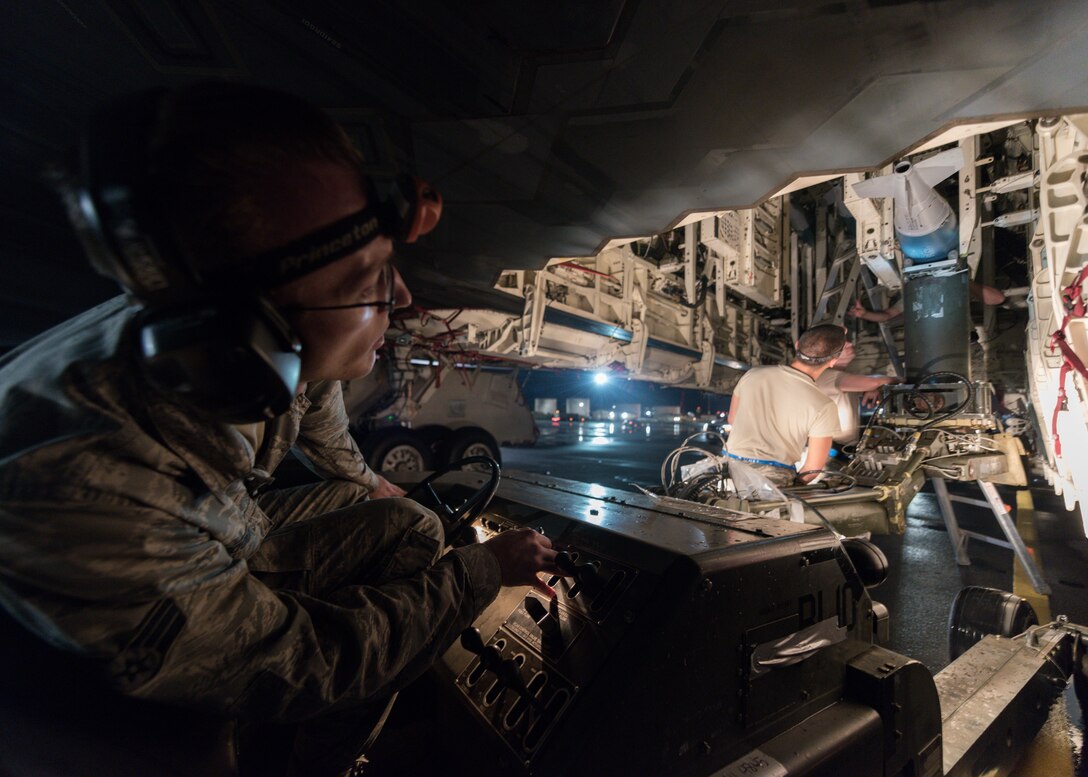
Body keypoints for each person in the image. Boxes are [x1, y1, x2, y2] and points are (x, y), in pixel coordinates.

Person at [0, 83, 561, 776]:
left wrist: (371, 483)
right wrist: (482, 570)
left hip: (227, 531)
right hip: (81, 697)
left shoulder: (230, 337)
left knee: (409, 522)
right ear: (252, 335)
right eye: (368, 275)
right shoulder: (91, 492)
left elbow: (316, 399)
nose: (404, 297)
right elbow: (302, 661)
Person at [725, 324, 844, 487]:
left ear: (797, 346)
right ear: (833, 361)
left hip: (727, 472)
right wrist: (795, 488)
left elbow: (733, 419)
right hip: (773, 484)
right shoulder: (824, 406)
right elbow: (812, 469)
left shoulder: (753, 374)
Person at [814, 339, 900, 448]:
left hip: (846, 445)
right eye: (843, 343)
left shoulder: (834, 376)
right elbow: (874, 382)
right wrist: (903, 379)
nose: (850, 344)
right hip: (835, 450)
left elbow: (872, 385)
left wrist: (873, 389)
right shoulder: (826, 375)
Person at [847, 280, 1006, 323]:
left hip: (964, 345)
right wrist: (865, 314)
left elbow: (998, 298)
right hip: (930, 347)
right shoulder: (914, 296)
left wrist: (963, 279)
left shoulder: (954, 288)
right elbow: (888, 315)